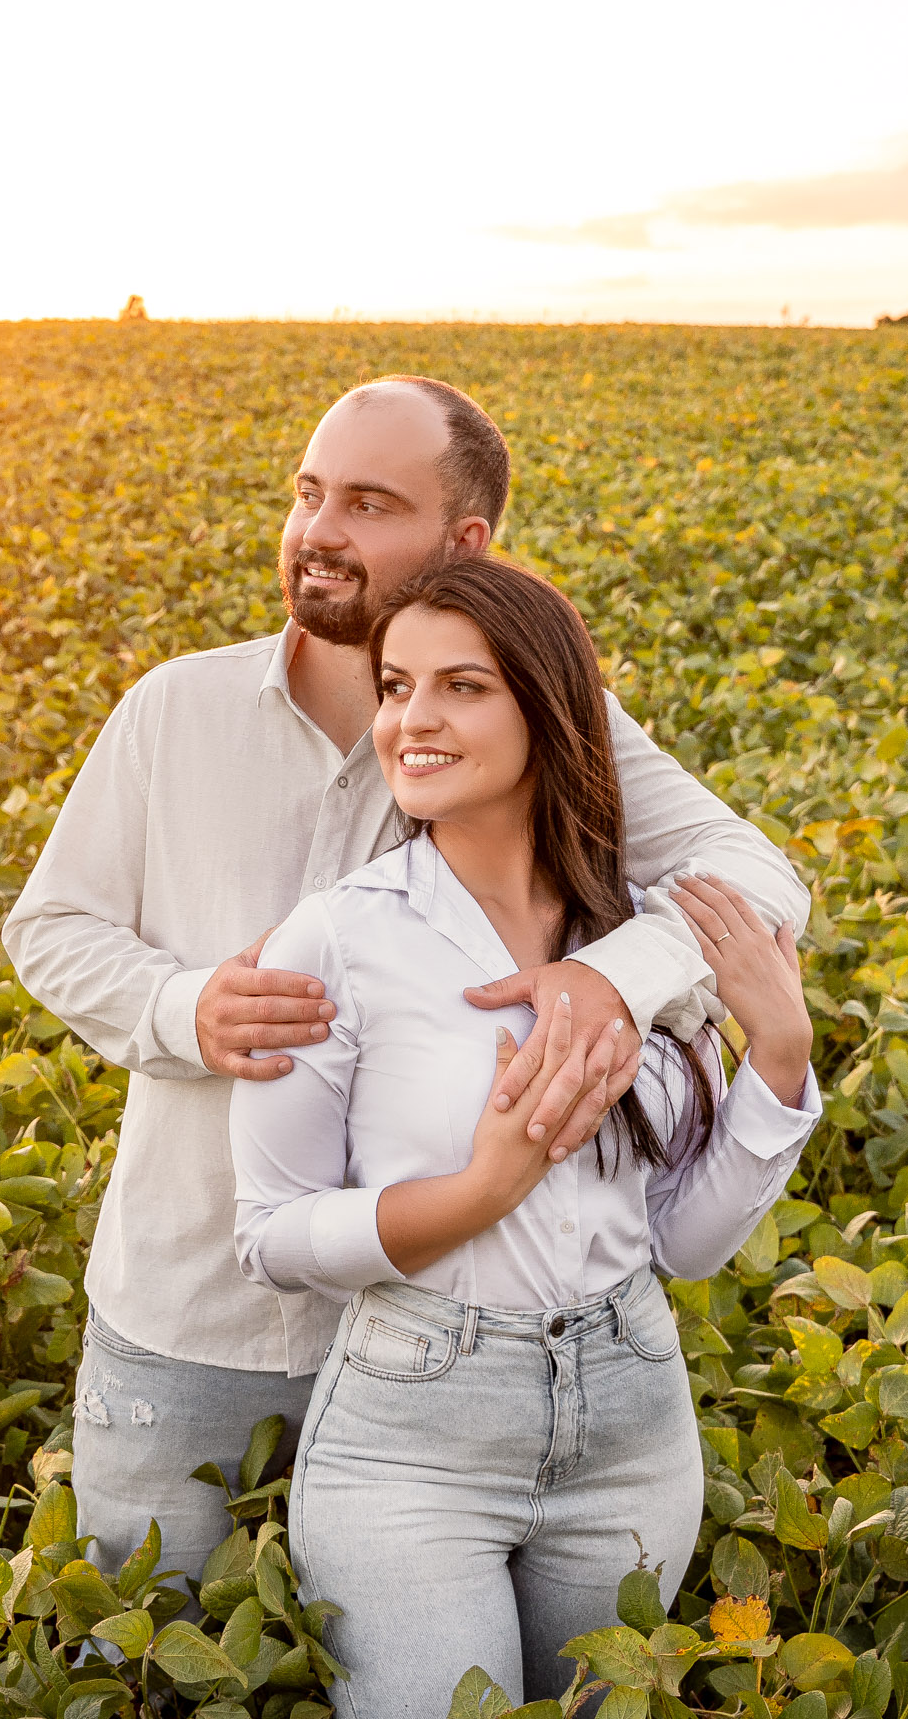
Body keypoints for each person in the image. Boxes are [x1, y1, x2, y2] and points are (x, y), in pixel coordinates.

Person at [0, 376, 810, 1579]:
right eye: (307, 493)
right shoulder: (173, 708)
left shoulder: (528, 714)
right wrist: (185, 1008)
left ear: (462, 544)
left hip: (434, 1339)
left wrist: (606, 979)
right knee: (148, 1651)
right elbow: (51, 925)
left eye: (368, 504)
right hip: (185, 1308)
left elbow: (757, 878)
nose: (318, 531)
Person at [228, 556, 819, 1713]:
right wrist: (477, 1191)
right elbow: (271, 1233)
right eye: (396, 686)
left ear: (550, 711)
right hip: (410, 1434)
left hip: (632, 1417)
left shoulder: (644, 938)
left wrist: (781, 1059)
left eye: (461, 686)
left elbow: (683, 1244)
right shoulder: (336, 939)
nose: (411, 719)